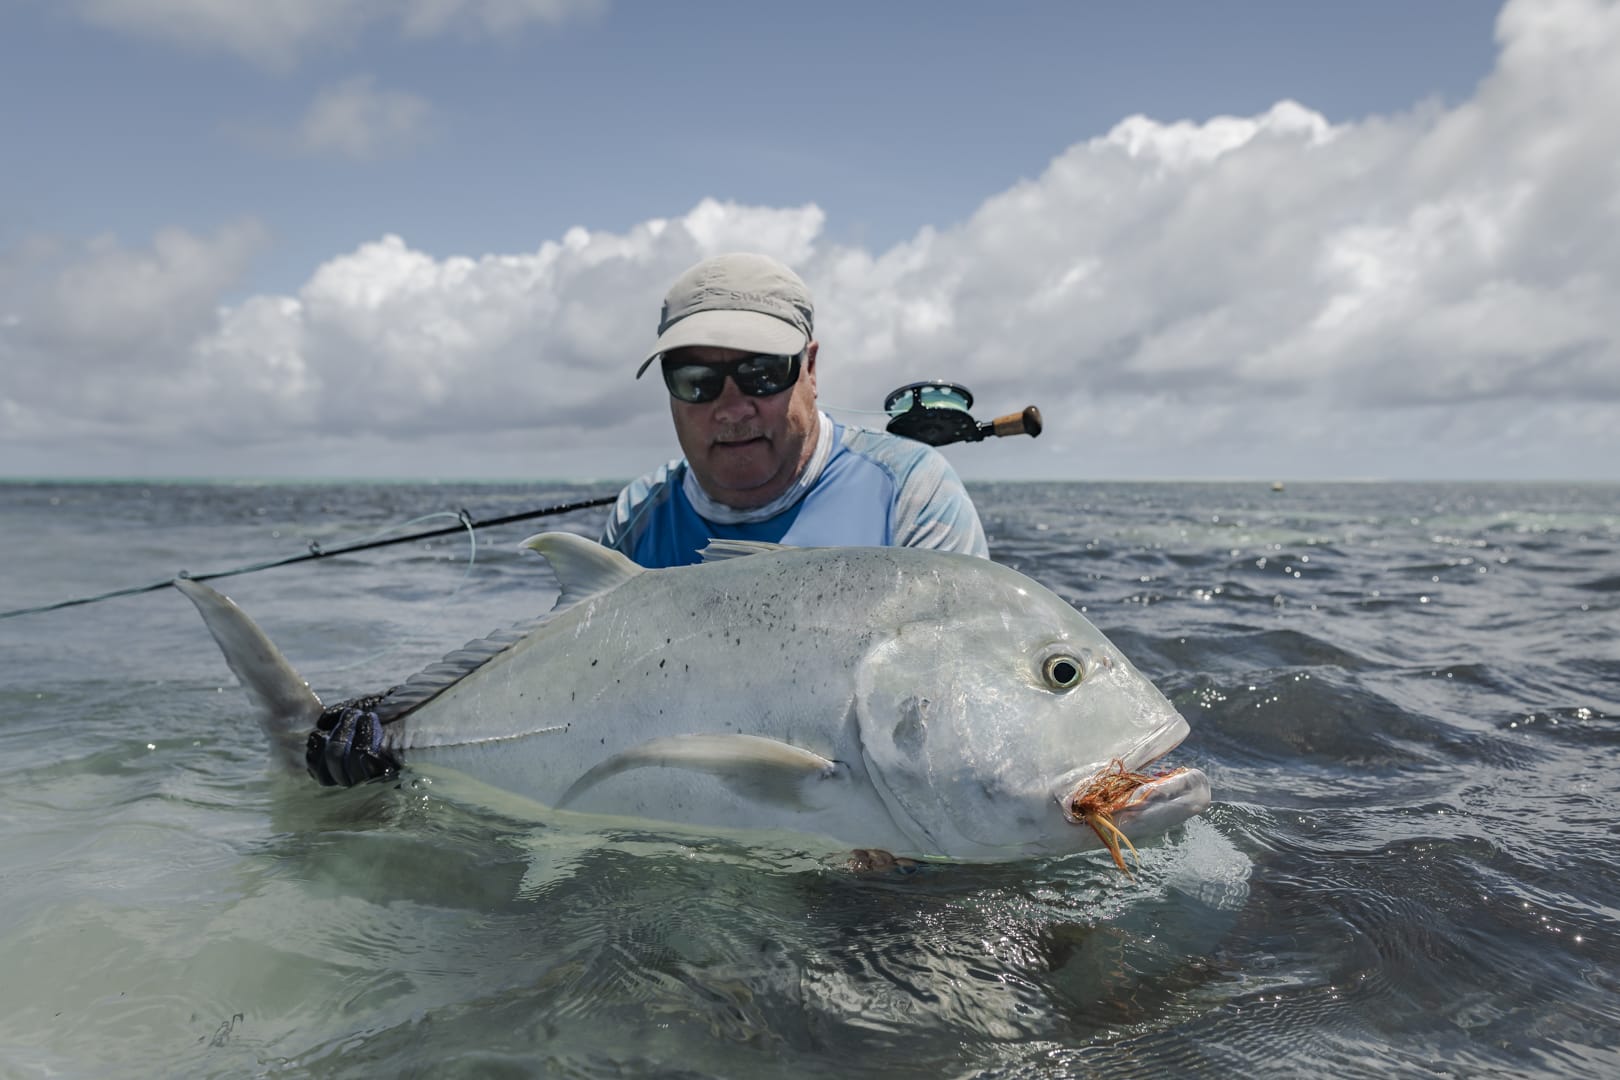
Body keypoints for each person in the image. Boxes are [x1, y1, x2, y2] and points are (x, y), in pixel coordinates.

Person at [601, 252, 988, 568]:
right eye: (697, 380)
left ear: (811, 369)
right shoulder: (637, 516)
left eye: (762, 374)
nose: (733, 410)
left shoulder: (913, 493)